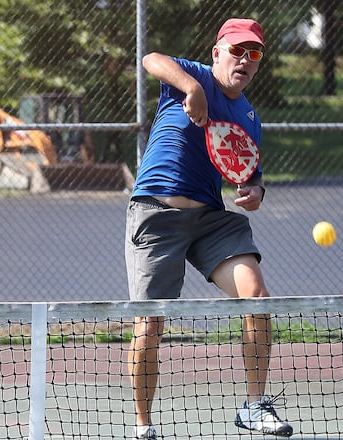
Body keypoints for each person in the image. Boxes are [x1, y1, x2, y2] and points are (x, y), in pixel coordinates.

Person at [125, 19, 293, 439]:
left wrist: (255, 191)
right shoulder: (193, 75)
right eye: (237, 50)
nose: (245, 60)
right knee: (150, 323)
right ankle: (144, 426)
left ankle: (254, 407)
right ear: (217, 52)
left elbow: (250, 175)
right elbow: (151, 59)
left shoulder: (249, 117)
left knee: (256, 296)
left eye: (254, 54)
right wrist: (193, 89)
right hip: (157, 214)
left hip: (211, 220)